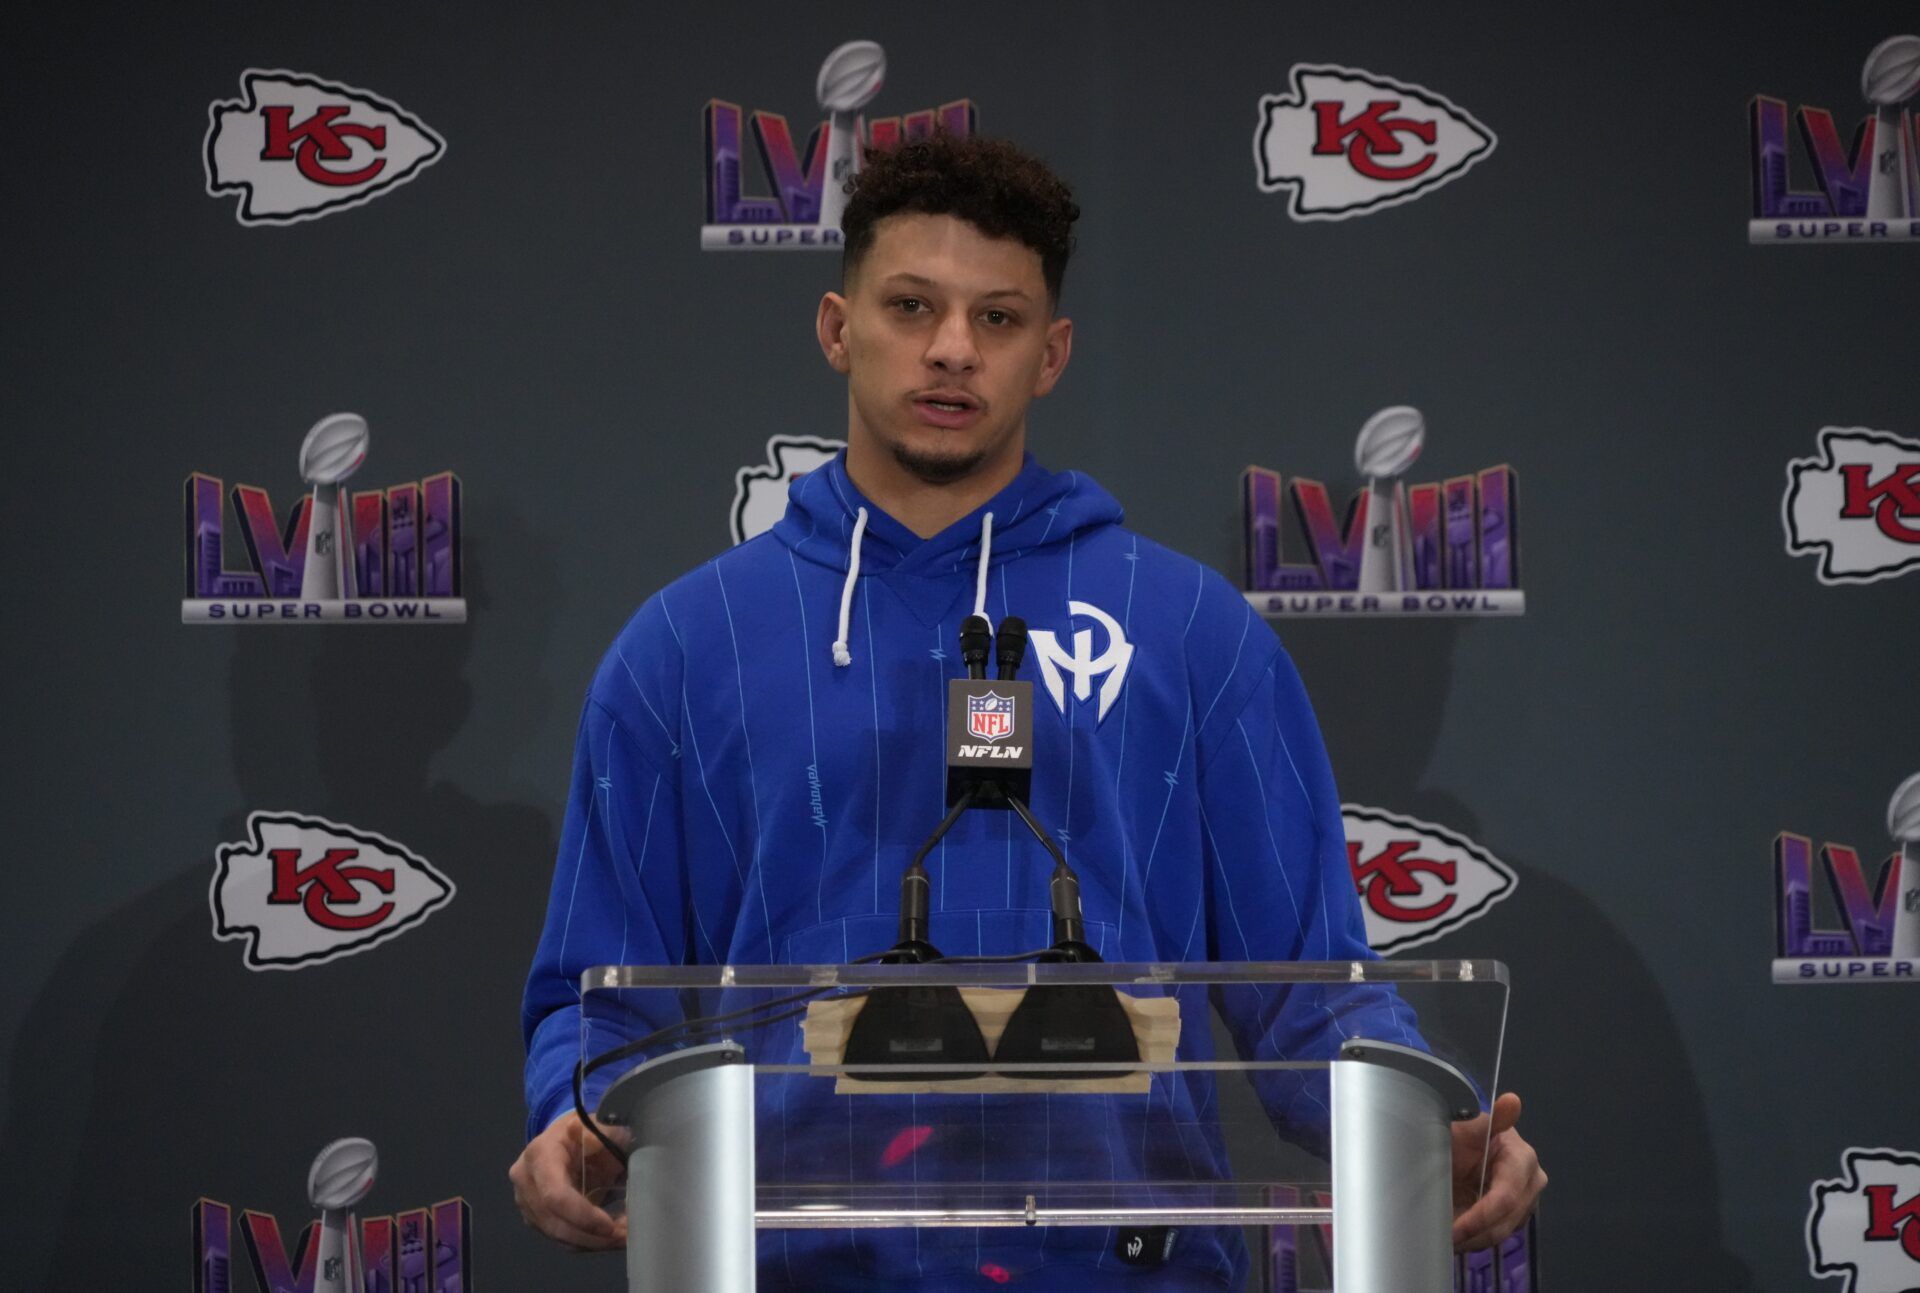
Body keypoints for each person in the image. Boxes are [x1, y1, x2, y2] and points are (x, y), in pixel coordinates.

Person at [512, 133, 1544, 1289]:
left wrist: (1426, 1129)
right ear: (837, 327)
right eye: (911, 306)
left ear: (1051, 355)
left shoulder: (1195, 633)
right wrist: (574, 1116)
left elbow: (1310, 996)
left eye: (997, 320)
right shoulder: (682, 649)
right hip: (792, 1263)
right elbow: (601, 999)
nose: (952, 349)